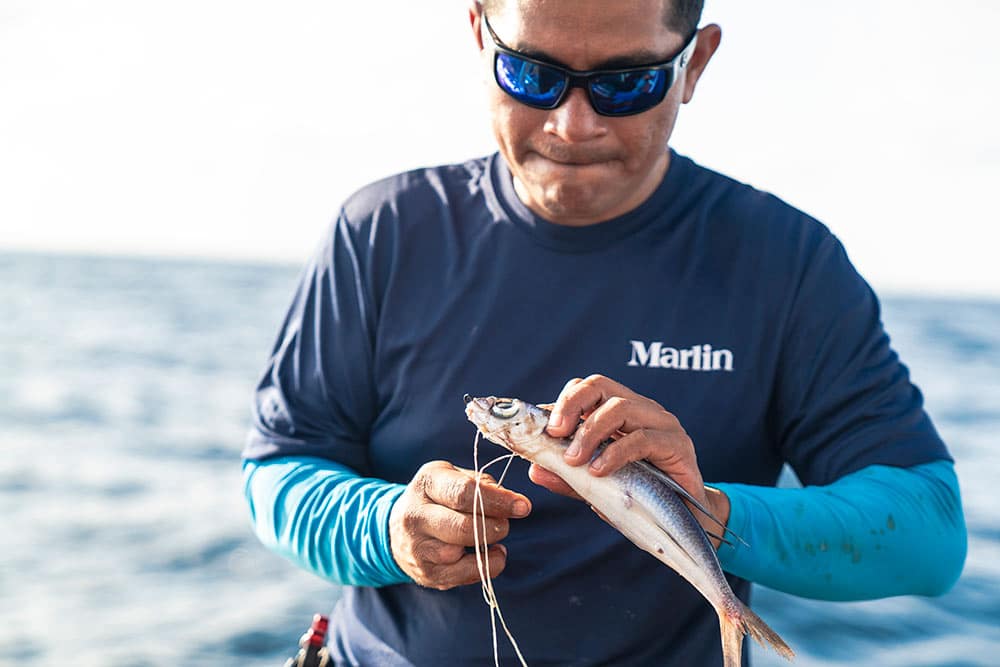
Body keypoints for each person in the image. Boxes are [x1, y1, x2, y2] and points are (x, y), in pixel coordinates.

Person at [242, 1, 967, 664]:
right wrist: (386, 525)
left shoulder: (789, 266)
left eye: (625, 83)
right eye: (530, 74)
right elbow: (276, 473)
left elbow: (930, 538)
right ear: (478, 38)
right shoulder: (382, 233)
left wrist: (711, 513)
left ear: (696, 64)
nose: (571, 123)